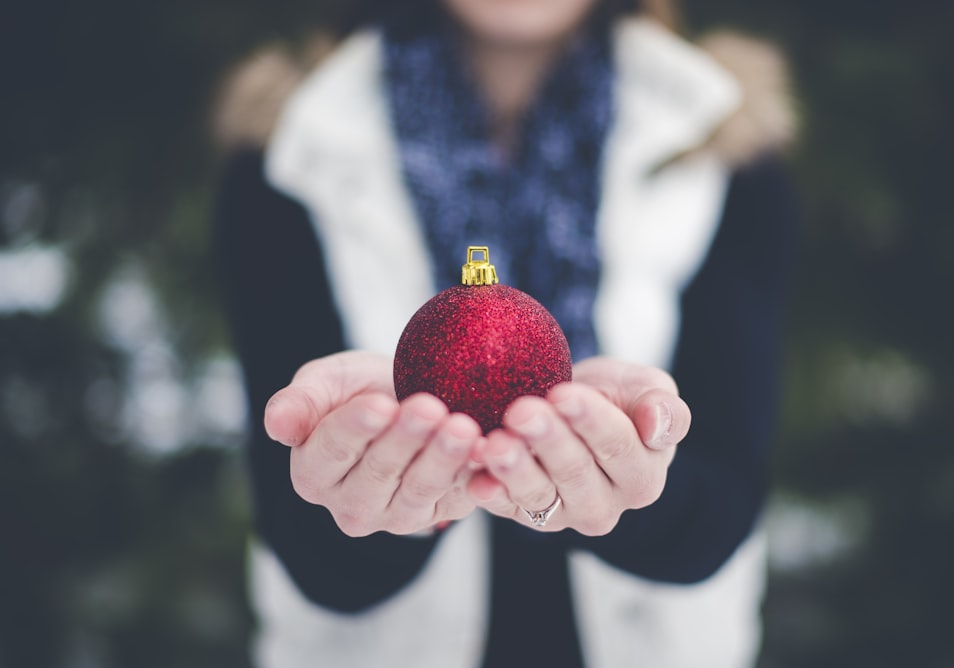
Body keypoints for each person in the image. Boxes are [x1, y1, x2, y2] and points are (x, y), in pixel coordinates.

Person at [211, 0, 798, 666]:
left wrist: (630, 486)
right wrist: (389, 493)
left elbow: (726, 493)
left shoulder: (722, 137)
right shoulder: (291, 146)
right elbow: (310, 549)